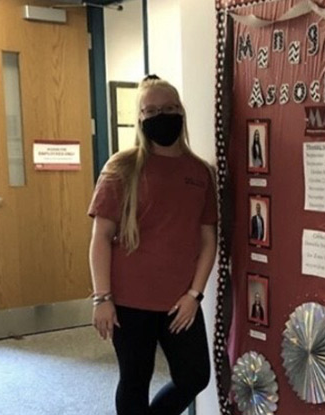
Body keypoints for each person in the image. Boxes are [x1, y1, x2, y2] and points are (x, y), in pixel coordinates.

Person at [89, 75, 217, 415]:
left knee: (194, 377)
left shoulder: (200, 172)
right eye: (154, 110)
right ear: (141, 118)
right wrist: (102, 298)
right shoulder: (122, 167)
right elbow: (101, 237)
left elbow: (208, 239)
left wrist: (194, 296)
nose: (164, 115)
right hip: (128, 302)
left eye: (171, 108)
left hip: (179, 303)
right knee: (135, 379)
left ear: (182, 112)